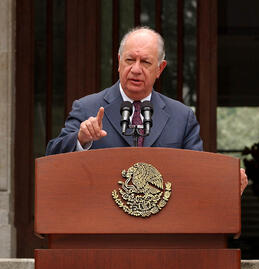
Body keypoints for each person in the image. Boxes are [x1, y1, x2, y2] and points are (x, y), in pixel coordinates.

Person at [46, 26, 247, 194]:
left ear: (160, 69)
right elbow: (52, 159)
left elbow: (197, 176)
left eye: (146, 62)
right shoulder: (87, 107)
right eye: (130, 60)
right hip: (102, 228)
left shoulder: (182, 117)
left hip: (163, 232)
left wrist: (225, 186)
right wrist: (81, 139)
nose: (135, 69)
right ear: (118, 62)